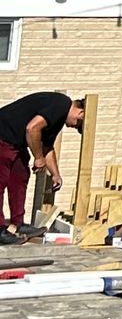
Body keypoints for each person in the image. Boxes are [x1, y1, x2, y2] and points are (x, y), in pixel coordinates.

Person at [0, 90, 82, 243]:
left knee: (20, 177)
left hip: (15, 143)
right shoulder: (61, 103)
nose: (74, 127)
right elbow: (32, 129)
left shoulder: (57, 118)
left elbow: (47, 148)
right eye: (78, 124)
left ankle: (18, 223)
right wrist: (38, 158)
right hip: (3, 135)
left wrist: (55, 174)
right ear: (80, 112)